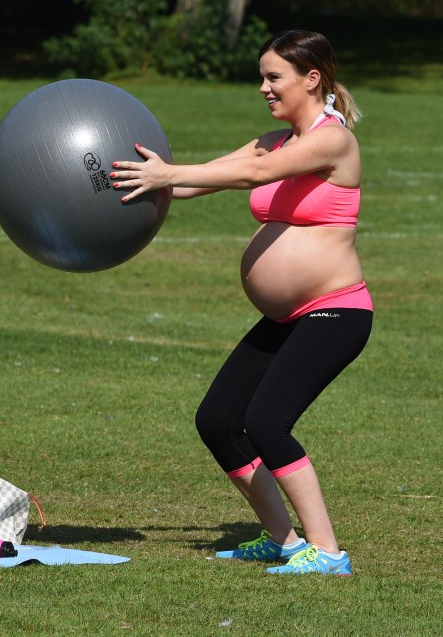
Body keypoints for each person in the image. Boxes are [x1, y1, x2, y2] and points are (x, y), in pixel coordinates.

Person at [111, 30, 372, 575]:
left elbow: (254, 176)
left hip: (337, 312)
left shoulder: (331, 141)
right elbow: (192, 183)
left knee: (267, 420)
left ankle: (326, 552)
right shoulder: (272, 140)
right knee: (218, 421)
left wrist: (168, 174)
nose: (263, 88)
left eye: (274, 77)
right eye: (263, 77)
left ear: (312, 79)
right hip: (286, 316)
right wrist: (130, 180)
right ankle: (281, 538)